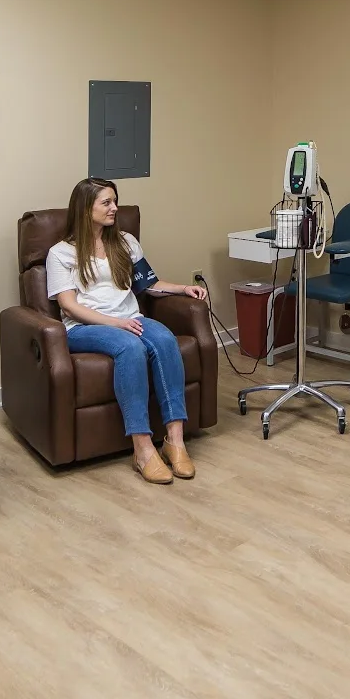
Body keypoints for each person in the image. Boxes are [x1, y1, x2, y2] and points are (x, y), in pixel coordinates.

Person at [48, 178, 209, 484]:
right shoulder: (61, 253)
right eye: (106, 202)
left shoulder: (125, 242)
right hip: (84, 327)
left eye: (115, 201)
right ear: (85, 208)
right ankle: (143, 449)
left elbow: (148, 284)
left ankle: (175, 440)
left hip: (129, 318)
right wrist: (115, 323)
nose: (114, 208)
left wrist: (183, 288)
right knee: (131, 347)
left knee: (165, 339)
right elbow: (68, 306)